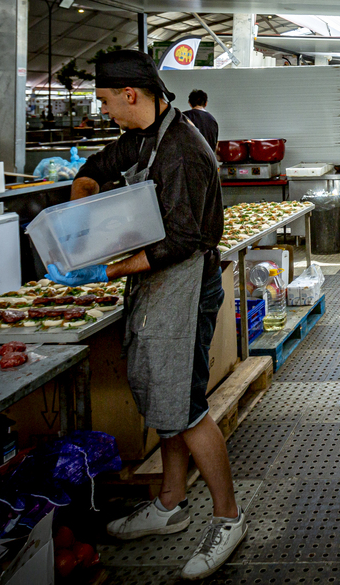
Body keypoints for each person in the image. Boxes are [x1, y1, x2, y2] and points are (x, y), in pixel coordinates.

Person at [46, 51, 244, 580]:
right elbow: (94, 171)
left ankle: (228, 517)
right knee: (166, 394)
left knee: (187, 403)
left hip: (185, 283)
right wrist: (79, 219)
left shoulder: (181, 151)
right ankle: (170, 503)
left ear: (131, 95)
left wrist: (101, 273)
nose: (104, 111)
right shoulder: (142, 138)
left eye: (107, 102)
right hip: (156, 285)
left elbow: (179, 242)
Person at [183, 88, 219, 152]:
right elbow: (214, 143)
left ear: (190, 103)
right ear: (206, 103)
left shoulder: (184, 117)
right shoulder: (212, 120)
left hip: (190, 158)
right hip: (208, 158)